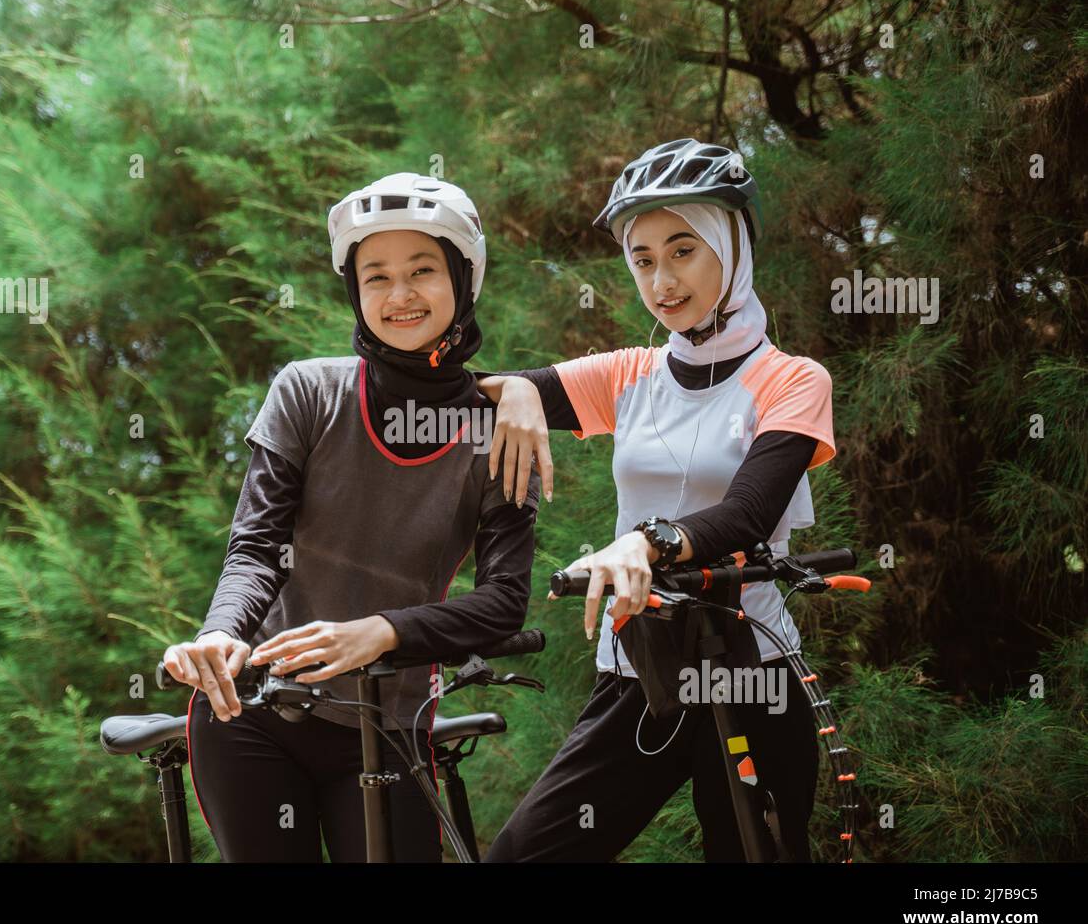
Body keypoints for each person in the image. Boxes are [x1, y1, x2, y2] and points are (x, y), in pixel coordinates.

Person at [474, 139, 837, 862]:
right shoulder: (630, 374)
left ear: (731, 250)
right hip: (641, 674)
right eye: (642, 259)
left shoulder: (793, 380)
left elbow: (746, 518)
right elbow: (462, 395)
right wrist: (514, 388)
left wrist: (646, 541)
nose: (661, 280)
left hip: (752, 674)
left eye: (683, 251)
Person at [162, 172, 540, 862]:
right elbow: (256, 549)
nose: (399, 296)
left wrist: (383, 632)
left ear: (464, 278)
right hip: (252, 716)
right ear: (354, 291)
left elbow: (504, 603)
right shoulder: (308, 391)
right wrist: (221, 634)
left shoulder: (499, 429)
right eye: (376, 277)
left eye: (422, 270)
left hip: (389, 724)